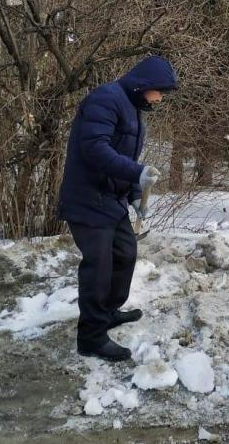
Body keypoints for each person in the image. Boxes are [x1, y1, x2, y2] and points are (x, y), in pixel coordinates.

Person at [58, 55, 178, 362]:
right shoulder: (105, 100)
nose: (160, 98)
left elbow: (125, 159)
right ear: (146, 85)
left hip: (111, 200)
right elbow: (94, 148)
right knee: (98, 268)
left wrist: (136, 193)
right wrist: (135, 173)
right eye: (160, 91)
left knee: (125, 254)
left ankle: (107, 312)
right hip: (87, 199)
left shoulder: (134, 110)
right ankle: (91, 337)